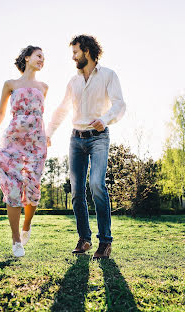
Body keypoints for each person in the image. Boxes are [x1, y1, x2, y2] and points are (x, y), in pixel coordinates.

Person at [46, 35, 126, 259]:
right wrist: (49, 133)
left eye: (75, 52)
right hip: (75, 138)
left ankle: (105, 242)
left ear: (87, 51)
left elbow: (120, 104)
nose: (73, 57)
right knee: (76, 192)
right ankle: (84, 239)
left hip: (99, 137)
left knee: (97, 185)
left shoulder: (109, 75)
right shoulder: (73, 81)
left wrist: (106, 118)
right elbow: (62, 109)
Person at [0, 45, 48, 257]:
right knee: (13, 188)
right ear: (27, 58)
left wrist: (45, 135)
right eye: (39, 56)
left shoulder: (44, 87)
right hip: (13, 140)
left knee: (33, 187)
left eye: (43, 57)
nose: (42, 59)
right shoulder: (10, 84)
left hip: (36, 143)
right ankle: (15, 241)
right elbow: (2, 111)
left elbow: (39, 116)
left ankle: (27, 226)